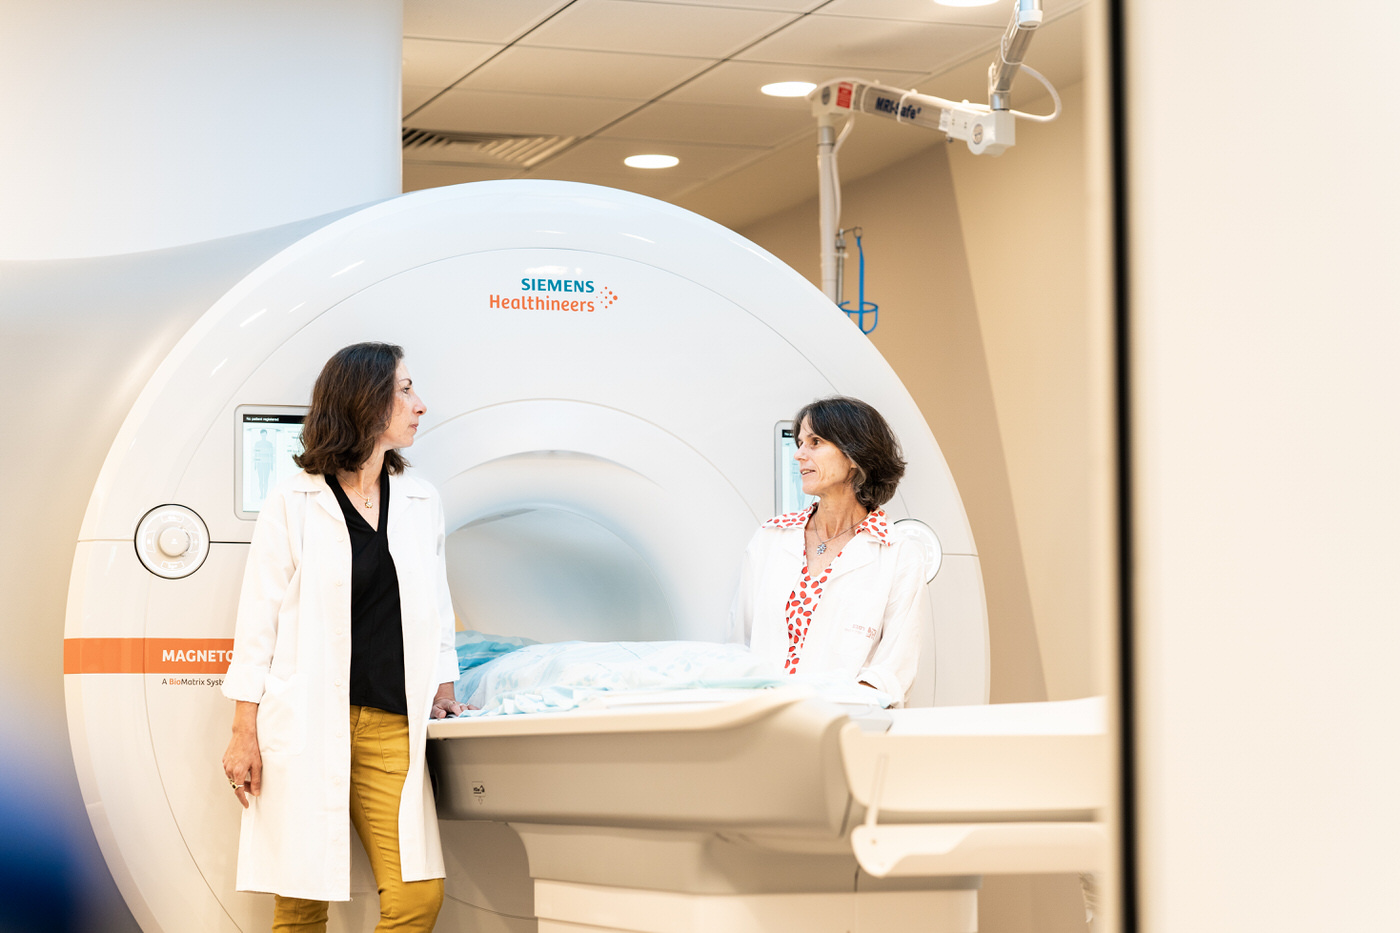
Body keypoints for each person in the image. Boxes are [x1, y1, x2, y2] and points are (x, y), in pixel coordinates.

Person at [220, 342, 464, 933]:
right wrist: (243, 732)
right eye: (405, 390)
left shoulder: (421, 500)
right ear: (366, 400)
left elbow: (436, 607)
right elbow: (258, 621)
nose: (420, 405)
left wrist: (443, 688)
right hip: (305, 720)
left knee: (416, 898)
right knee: (300, 903)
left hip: (389, 726)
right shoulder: (294, 499)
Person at [729, 396, 926, 704]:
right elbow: (739, 645)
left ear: (854, 455)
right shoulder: (771, 538)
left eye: (815, 442)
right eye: (800, 443)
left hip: (845, 720)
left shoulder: (898, 553)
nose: (798, 454)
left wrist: (823, 712)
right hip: (762, 716)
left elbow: (892, 671)